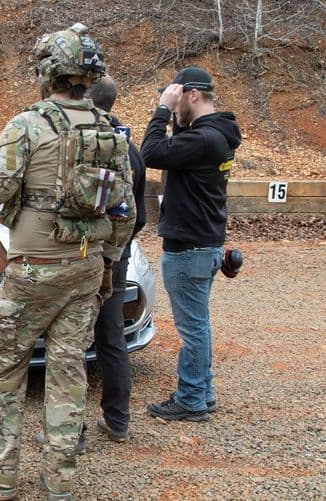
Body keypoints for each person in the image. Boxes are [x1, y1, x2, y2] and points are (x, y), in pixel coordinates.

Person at [0, 24, 135, 500]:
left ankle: (0, 475)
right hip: (85, 271)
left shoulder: (27, 125)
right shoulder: (110, 130)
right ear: (89, 77)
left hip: (30, 275)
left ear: (46, 73)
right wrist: (107, 264)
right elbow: (123, 213)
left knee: (4, 373)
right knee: (69, 374)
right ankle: (60, 482)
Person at [140, 67, 241, 421]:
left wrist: (163, 110)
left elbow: (149, 153)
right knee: (199, 323)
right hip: (204, 242)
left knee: (193, 328)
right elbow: (175, 149)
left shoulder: (202, 140)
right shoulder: (215, 134)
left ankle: (191, 400)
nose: (171, 100)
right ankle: (202, 391)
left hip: (189, 247)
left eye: (176, 94)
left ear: (192, 95)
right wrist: (177, 115)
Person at [85, 75, 146, 441]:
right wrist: (118, 250)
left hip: (85, 253)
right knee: (111, 337)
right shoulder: (130, 149)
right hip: (116, 255)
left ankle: (71, 430)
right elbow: (138, 215)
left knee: (72, 339)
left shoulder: (86, 145)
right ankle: (118, 419)